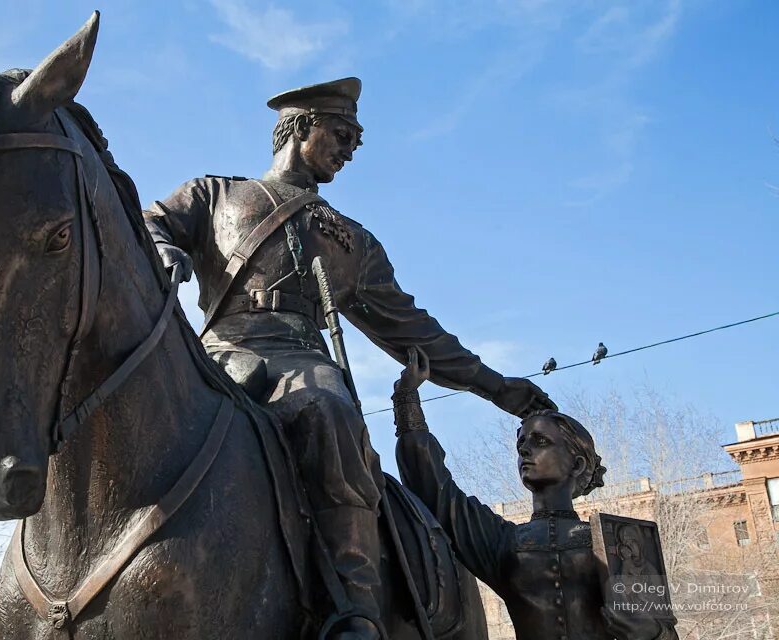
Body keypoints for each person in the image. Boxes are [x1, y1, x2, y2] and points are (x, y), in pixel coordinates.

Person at [143, 78, 555, 639]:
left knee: (329, 413)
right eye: (342, 134)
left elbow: (415, 331)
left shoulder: (354, 242)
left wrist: (496, 387)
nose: (350, 149)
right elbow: (151, 223)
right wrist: (165, 250)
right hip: (218, 351)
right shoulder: (214, 194)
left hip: (301, 360)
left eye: (355, 141)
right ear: (299, 126)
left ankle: (354, 605)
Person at [393, 348, 678, 640]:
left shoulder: (621, 540)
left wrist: (652, 632)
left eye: (540, 441)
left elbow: (666, 631)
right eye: (521, 445)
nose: (525, 450)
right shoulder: (503, 543)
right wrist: (406, 399)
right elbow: (437, 492)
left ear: (577, 464)